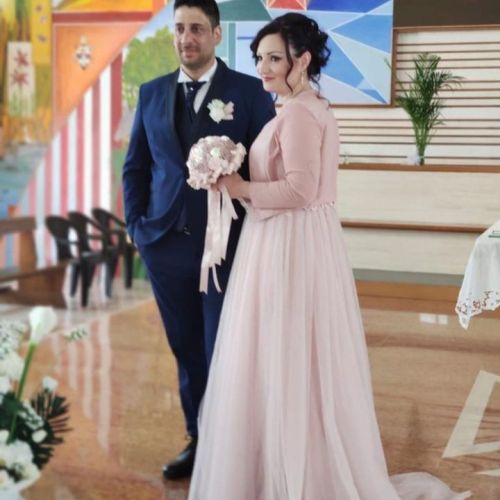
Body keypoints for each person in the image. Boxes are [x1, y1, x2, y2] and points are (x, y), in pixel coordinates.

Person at [187, 13, 471, 500]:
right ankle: (293, 460)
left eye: (274, 58)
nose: (263, 68)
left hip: (289, 243)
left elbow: (300, 190)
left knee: (283, 352)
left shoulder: (299, 113)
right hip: (295, 239)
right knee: (297, 354)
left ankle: (290, 473)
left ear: (302, 60)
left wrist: (239, 186)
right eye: (259, 58)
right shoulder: (307, 106)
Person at [122, 0, 275, 481]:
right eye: (179, 29)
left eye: (196, 29)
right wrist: (136, 226)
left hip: (228, 248)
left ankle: (239, 448)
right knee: (186, 348)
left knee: (226, 349)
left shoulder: (249, 92)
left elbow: (266, 167)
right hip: (164, 246)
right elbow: (136, 167)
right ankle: (200, 440)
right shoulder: (150, 93)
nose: (186, 38)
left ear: (215, 34)